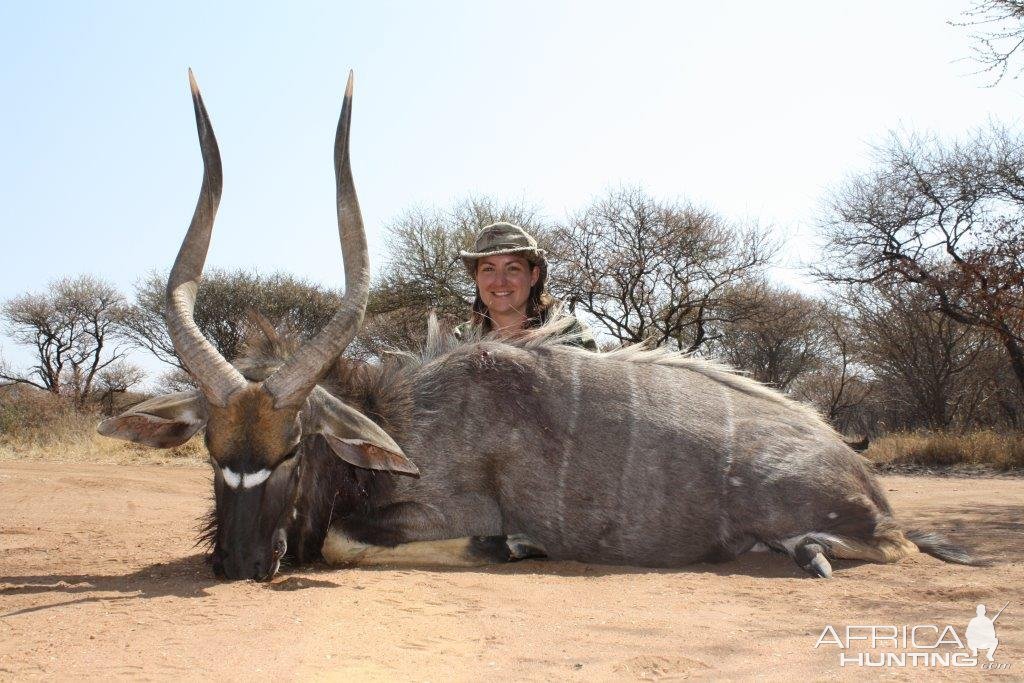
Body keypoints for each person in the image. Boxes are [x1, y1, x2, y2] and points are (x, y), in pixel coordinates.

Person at [454, 222, 597, 351]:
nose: (500, 281)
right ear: (477, 278)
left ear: (533, 276)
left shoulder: (571, 334)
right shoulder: (458, 341)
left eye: (513, 268)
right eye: (489, 269)